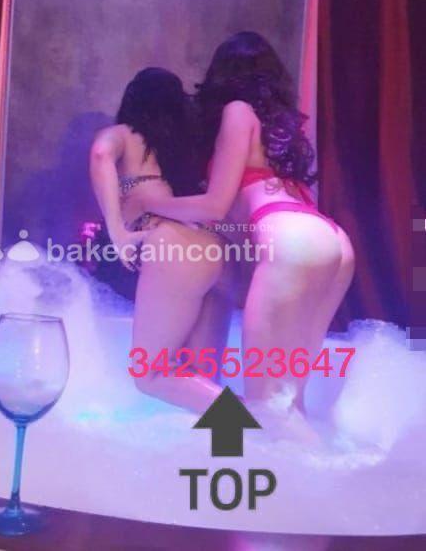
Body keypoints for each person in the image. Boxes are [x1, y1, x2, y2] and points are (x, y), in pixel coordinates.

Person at [143, 33, 355, 430]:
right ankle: (318, 466)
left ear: (222, 75)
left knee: (269, 408)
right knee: (287, 405)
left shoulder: (238, 112)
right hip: (328, 242)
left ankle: (326, 471)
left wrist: (150, 204)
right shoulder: (279, 131)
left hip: (292, 240)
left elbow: (214, 205)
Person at [90, 68, 233, 414]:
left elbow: (100, 154)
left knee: (150, 375)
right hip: (213, 249)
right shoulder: (178, 152)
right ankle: (237, 441)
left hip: (174, 248)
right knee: (199, 379)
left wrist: (117, 230)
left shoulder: (124, 135)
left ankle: (261, 424)